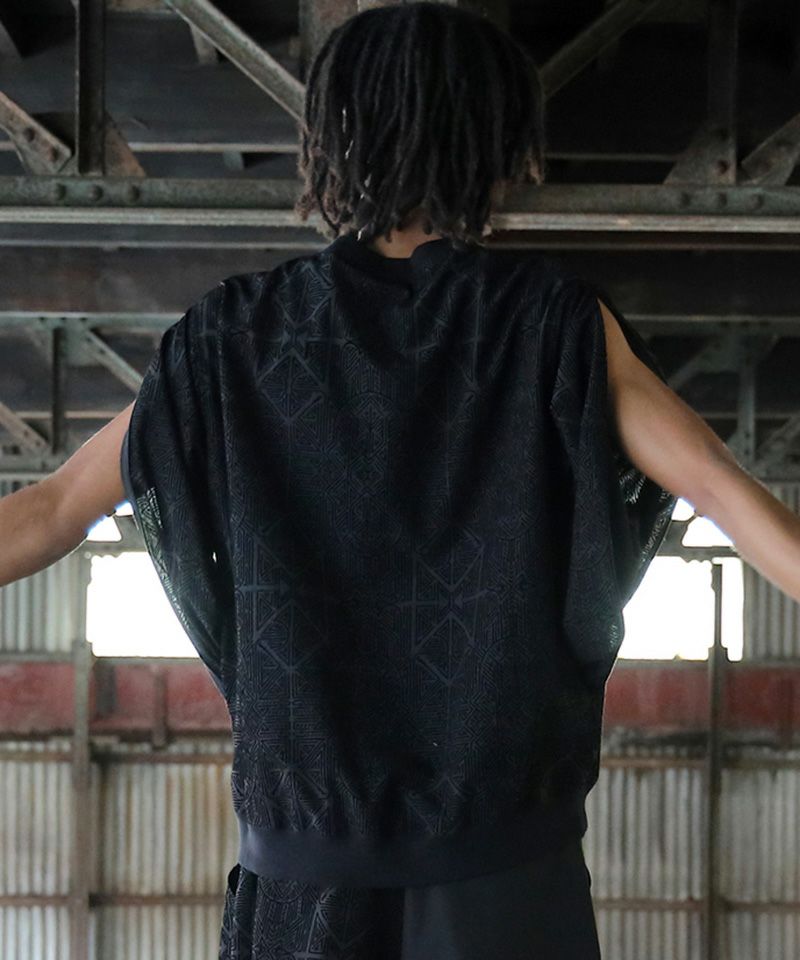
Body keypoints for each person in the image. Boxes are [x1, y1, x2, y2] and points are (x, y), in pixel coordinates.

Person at [2, 3, 799, 958]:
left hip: (303, 887)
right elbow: (722, 491)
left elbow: (52, 509)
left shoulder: (234, 339)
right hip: (507, 881)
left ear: (334, 137)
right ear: (492, 140)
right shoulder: (552, 329)